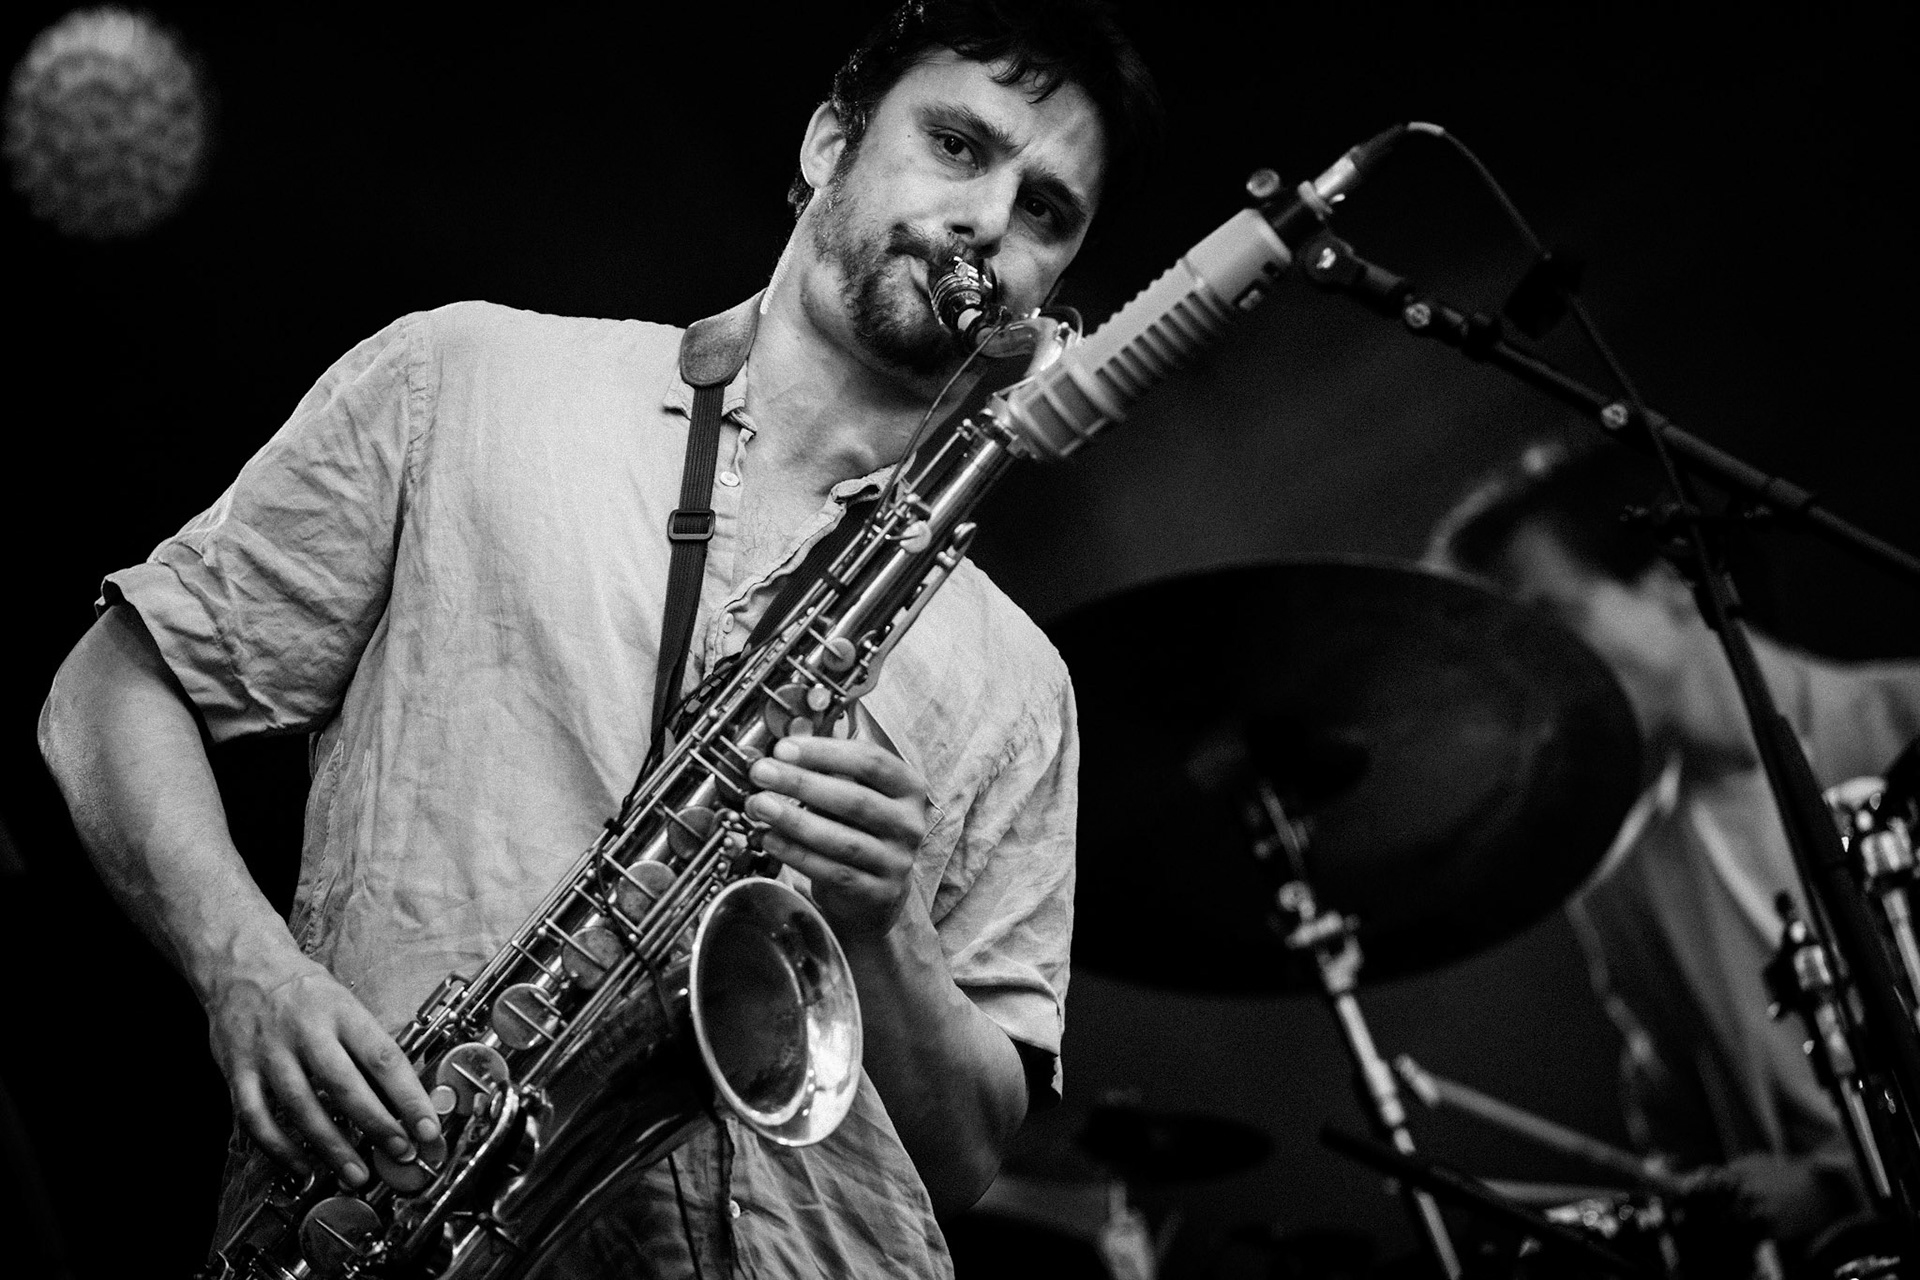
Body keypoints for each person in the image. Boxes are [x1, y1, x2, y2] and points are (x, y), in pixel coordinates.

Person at [36, 3, 1163, 1275]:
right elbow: (113, 684)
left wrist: (883, 921)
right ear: (826, 141)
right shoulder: (464, 379)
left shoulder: (1021, 683)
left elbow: (963, 1159)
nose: (991, 225)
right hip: (390, 1219)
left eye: (1049, 213)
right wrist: (244, 967)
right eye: (959, 145)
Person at [1427, 440, 1920, 1253]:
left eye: (1555, 620)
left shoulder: (1906, 722)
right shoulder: (1622, 889)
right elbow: (1679, 1132)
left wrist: (1836, 1183)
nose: (1541, 675)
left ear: (1670, 583)